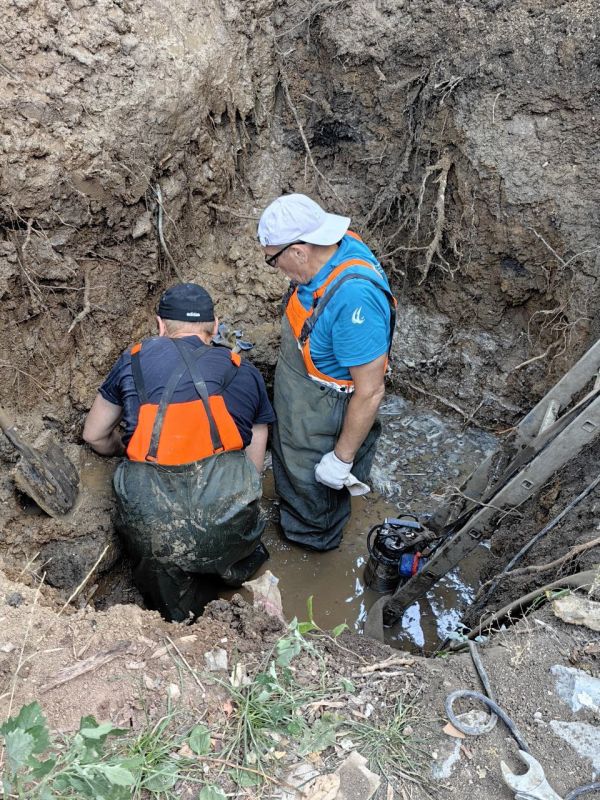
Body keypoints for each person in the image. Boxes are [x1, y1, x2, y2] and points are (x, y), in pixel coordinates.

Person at [83, 283, 275, 622]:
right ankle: (236, 580)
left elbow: (94, 435)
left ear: (160, 326)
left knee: (173, 602)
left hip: (155, 530)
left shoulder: (134, 360)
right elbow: (253, 466)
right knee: (239, 554)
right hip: (225, 517)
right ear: (215, 328)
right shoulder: (244, 371)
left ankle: (180, 617)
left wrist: (124, 448)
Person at [258, 193, 396, 551]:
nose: (276, 270)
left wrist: (341, 458)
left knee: (314, 493)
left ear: (300, 251)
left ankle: (312, 544)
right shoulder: (329, 250)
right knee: (290, 462)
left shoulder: (354, 300)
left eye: (274, 260)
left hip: (326, 412)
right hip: (299, 391)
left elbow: (370, 391)